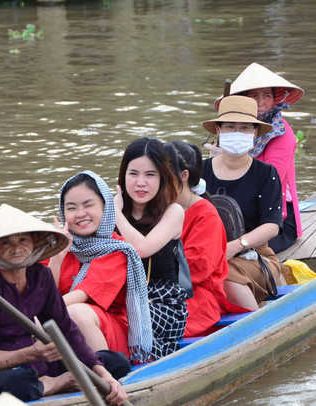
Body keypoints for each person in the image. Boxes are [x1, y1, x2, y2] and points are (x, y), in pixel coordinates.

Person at [0, 203, 127, 405]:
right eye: (5, 243)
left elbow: (66, 330)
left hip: (35, 366)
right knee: (18, 383)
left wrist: (102, 374)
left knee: (116, 362)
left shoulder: (41, 277)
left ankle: (50, 382)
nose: (17, 248)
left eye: (23, 239)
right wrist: (33, 354)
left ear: (34, 242)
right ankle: (54, 384)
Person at [45, 170, 153, 368]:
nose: (80, 214)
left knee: (76, 313)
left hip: (108, 332)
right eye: (71, 208)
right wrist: (57, 258)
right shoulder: (57, 246)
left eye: (88, 205)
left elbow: (81, 295)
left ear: (105, 206)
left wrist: (40, 312)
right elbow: (42, 293)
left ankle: (104, 374)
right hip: (62, 327)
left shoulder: (118, 249)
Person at [205, 62, 304, 254]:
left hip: (273, 219)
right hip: (231, 216)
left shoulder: (282, 133)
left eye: (267, 95)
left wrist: (230, 159)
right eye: (254, 95)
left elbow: (274, 175)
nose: (261, 101)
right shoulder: (217, 150)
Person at [201, 95, 285, 310]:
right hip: (205, 253)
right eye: (230, 126)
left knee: (226, 275)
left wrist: (236, 246)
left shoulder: (266, 173)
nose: (237, 133)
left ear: (255, 133)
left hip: (254, 256)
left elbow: (272, 225)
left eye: (245, 128)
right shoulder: (200, 171)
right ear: (219, 131)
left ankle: (257, 331)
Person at [114, 137, 188, 359]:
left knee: (119, 323)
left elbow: (143, 248)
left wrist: (114, 213)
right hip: (121, 298)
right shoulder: (115, 210)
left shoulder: (174, 212)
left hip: (162, 302)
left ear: (163, 178)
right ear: (123, 176)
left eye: (150, 175)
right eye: (133, 174)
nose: (140, 183)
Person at [164, 141, 238, 337]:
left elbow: (194, 270)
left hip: (197, 298)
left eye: (160, 174)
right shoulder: (158, 208)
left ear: (184, 176)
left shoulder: (206, 215)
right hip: (161, 291)